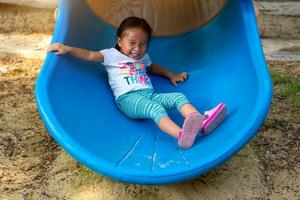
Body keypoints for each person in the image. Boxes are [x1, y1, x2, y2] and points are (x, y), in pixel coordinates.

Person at [47, 16, 227, 149]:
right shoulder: (111, 55)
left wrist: (171, 75)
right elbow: (88, 55)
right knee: (156, 110)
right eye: (132, 42)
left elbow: (153, 68)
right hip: (128, 100)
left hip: (149, 95)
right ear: (119, 41)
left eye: (142, 44)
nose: (137, 49)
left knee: (177, 96)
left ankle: (201, 122)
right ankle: (181, 136)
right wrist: (68, 48)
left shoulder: (144, 58)